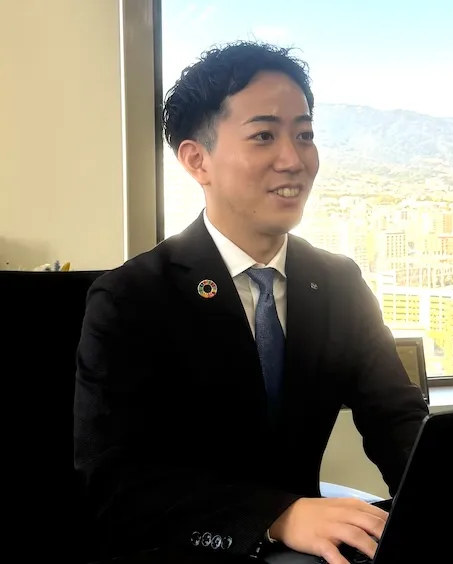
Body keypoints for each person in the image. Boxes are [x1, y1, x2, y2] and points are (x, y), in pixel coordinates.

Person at [73, 41, 429, 564]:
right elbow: (114, 483)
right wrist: (276, 516)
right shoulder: (131, 298)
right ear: (197, 160)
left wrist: (449, 496)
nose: (294, 160)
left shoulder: (338, 283)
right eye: (264, 136)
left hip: (306, 557)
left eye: (304, 135)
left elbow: (396, 419)